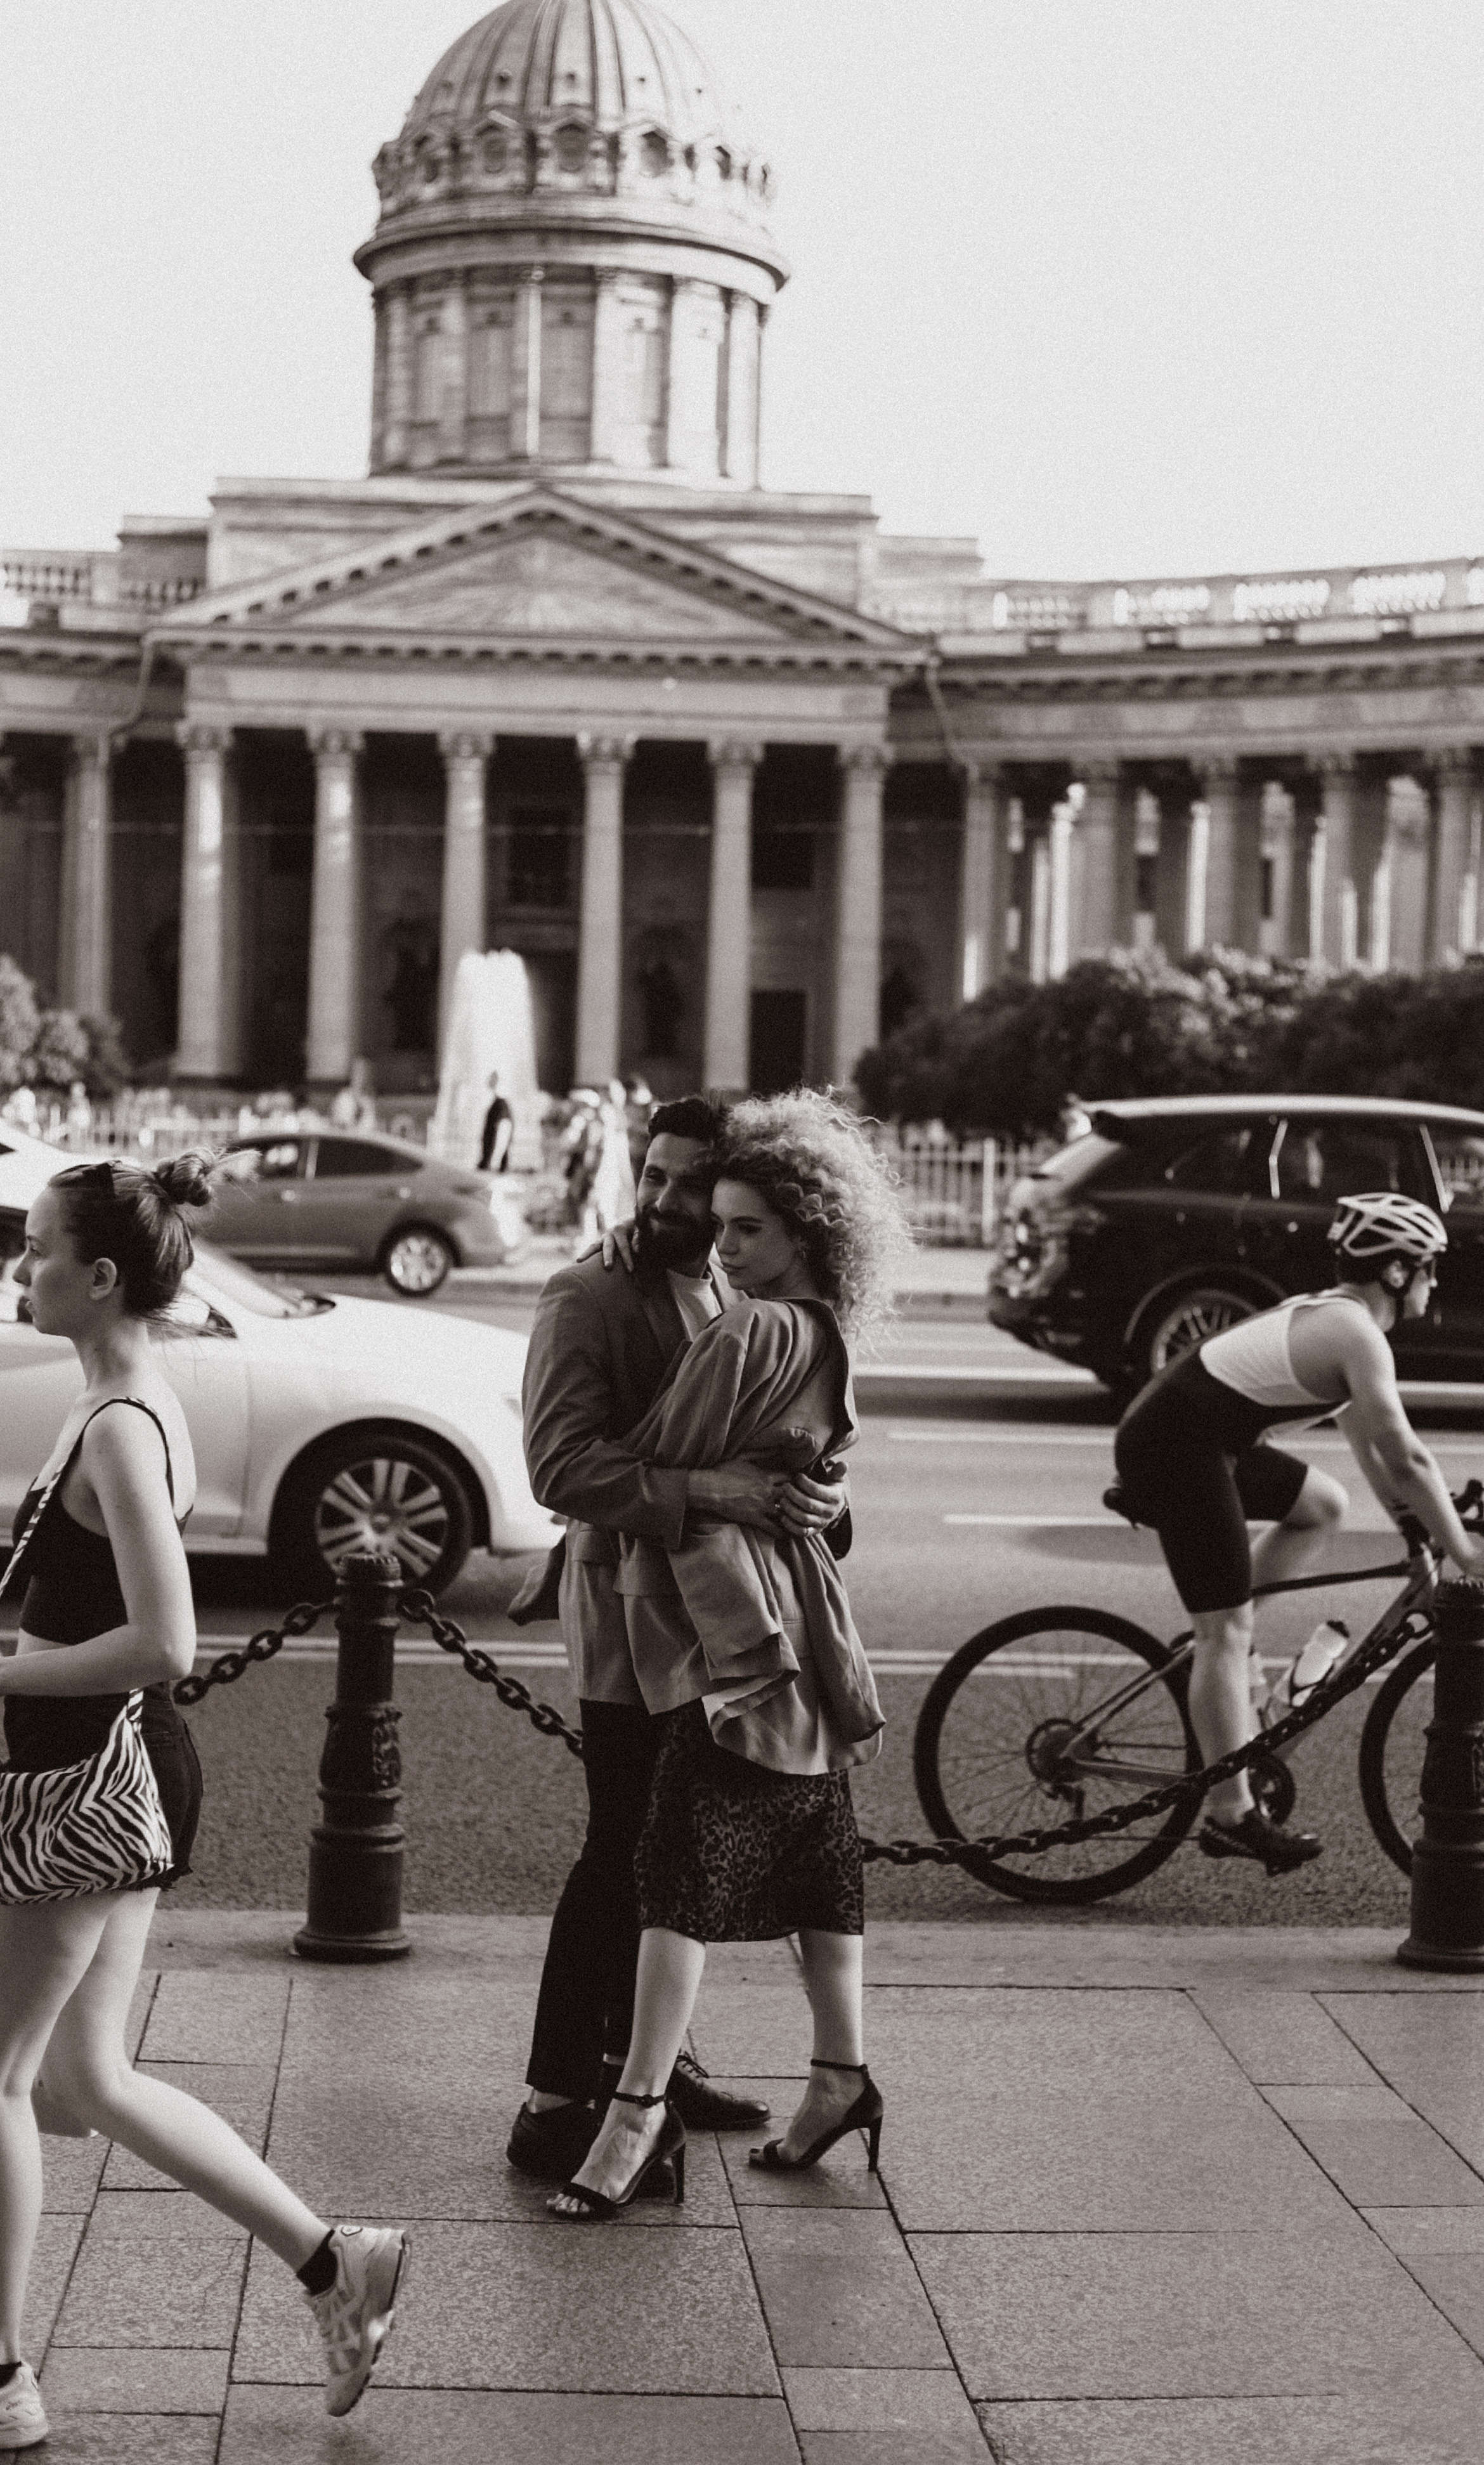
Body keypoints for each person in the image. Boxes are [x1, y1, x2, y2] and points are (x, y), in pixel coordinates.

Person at [0, 1157, 407, 2447]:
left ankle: (4, 2378)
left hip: (90, 1774)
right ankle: (335, 2256)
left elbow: (166, 1639)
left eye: (39, 1247)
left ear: (101, 1274)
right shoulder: (111, 1402)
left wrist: (5, 1668)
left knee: (5, 2077)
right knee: (84, 2079)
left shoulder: (121, 1422)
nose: (19, 1268)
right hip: (105, 1762)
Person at [549, 1090, 913, 2222]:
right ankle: (836, 2075)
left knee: (665, 1870)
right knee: (812, 1859)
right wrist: (776, 1483)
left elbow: (642, 1455)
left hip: (722, 1635)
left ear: (797, 1228)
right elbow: (580, 1467)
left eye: (728, 1210)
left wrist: (793, 1486)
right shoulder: (797, 1320)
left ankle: (631, 2098)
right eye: (659, 1182)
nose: (699, 1222)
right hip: (787, 1623)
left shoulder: (747, 1316)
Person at [1114, 1190, 1484, 1875]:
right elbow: (1407, 1454)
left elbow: (1372, 1450)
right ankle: (1231, 1813)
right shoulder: (1355, 1334)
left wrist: (1414, 1528)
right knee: (1221, 1632)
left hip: (1203, 1438)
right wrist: (1464, 1550)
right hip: (1175, 1445)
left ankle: (1225, 1638)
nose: (1436, 1280)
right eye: (1430, 1267)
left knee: (1322, 1504)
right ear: (1397, 1272)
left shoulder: (1342, 1323)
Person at [478, 1069, 514, 1173]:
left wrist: (493, 1161)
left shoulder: (501, 1103)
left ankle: (492, 1165)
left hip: (494, 1165)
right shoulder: (497, 1101)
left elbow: (501, 1132)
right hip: (493, 1162)